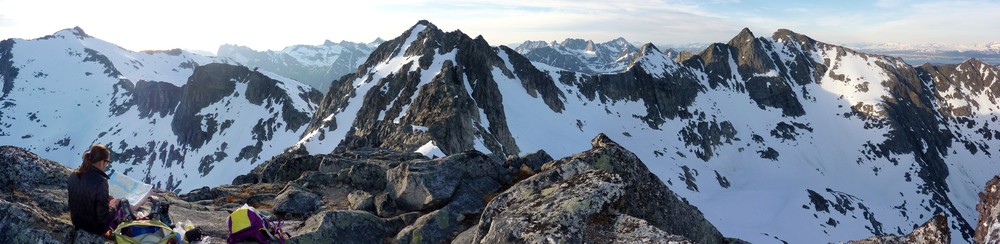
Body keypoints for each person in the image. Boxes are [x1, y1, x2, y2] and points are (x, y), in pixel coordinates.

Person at [67, 144, 120, 238]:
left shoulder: (74, 175)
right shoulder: (101, 182)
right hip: (94, 229)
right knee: (121, 208)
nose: (106, 165)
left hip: (77, 222)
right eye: (107, 162)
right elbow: (103, 219)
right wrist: (114, 206)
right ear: (101, 162)